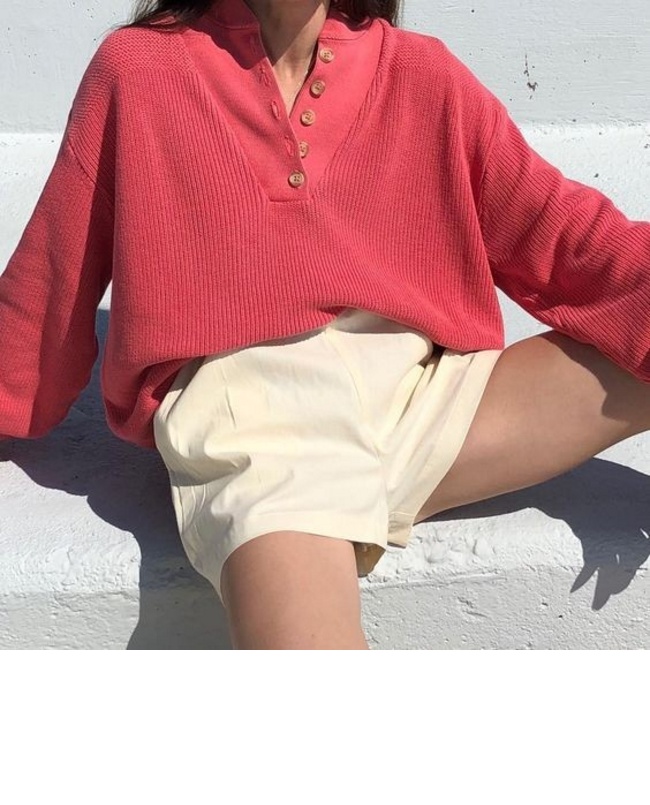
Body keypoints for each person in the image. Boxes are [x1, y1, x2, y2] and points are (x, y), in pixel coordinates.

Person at [2, 0, 650, 650]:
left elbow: (567, 240)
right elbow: (49, 284)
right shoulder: (139, 71)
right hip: (262, 429)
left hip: (423, 397)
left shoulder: (422, 74)